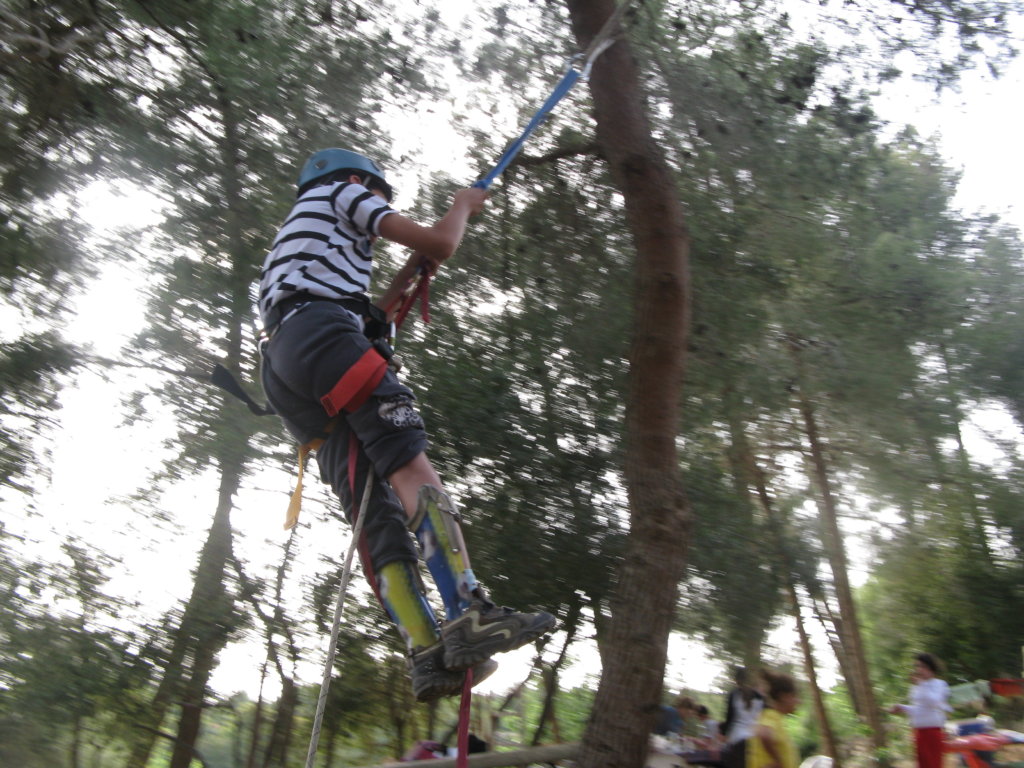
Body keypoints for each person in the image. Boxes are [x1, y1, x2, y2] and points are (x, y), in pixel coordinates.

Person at [258, 148, 556, 702]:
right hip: (323, 334)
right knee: (406, 463)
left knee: (371, 510)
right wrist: (461, 206)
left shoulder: (297, 247)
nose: (380, 210)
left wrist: (409, 273)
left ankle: (425, 650)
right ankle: (468, 611)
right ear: (357, 181)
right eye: (381, 197)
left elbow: (368, 313)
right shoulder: (342, 191)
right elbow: (441, 241)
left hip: (286, 365)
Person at [889, 652, 952, 768]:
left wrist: (922, 685)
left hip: (932, 731)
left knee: (933, 764)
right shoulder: (917, 686)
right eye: (917, 666)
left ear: (931, 668)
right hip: (919, 731)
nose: (919, 669)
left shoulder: (939, 684)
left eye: (923, 666)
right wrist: (902, 708)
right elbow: (919, 708)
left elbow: (934, 702)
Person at [747, 669, 800, 768]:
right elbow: (764, 734)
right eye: (794, 696)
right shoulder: (770, 715)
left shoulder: (777, 719)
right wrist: (778, 761)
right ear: (783, 696)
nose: (798, 701)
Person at [721, 667, 766, 768]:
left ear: (737, 680)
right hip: (754, 737)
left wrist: (723, 733)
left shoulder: (734, 695)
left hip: (737, 737)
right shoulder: (760, 697)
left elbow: (729, 718)